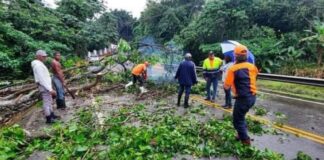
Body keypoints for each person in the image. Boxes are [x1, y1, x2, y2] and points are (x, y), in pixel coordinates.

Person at [224, 45, 258, 145]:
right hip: (252, 97)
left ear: (236, 56)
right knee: (241, 116)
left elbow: (226, 86)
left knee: (237, 120)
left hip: (243, 99)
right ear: (246, 55)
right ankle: (241, 133)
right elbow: (254, 78)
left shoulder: (233, 69)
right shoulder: (252, 67)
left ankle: (245, 140)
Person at [31, 50, 59, 124]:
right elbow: (41, 79)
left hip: (46, 86)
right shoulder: (37, 65)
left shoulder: (40, 64)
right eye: (43, 56)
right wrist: (50, 89)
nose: (45, 57)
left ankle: (52, 115)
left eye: (45, 56)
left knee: (49, 101)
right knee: (46, 102)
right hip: (44, 86)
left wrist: (50, 87)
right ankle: (48, 118)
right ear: (38, 56)